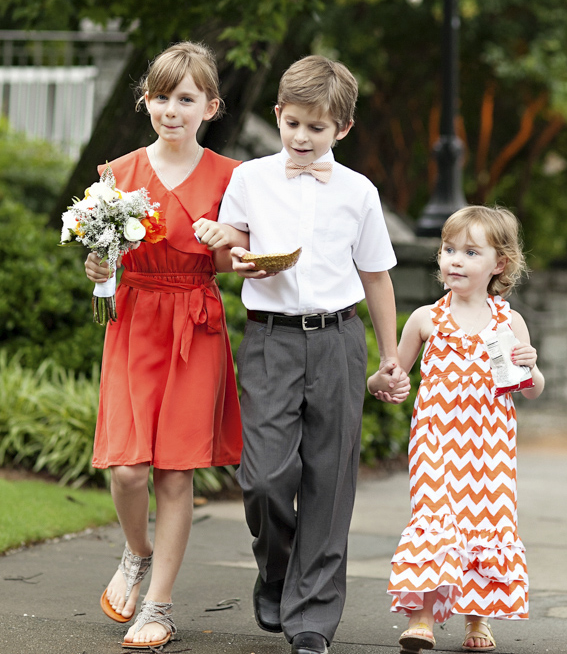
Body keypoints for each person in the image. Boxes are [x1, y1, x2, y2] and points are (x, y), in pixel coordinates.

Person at [193, 54, 411, 654]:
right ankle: (278, 571)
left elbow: (377, 278)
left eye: (317, 128)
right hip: (269, 337)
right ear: (279, 117)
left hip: (339, 339)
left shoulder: (358, 193)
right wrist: (229, 248)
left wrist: (389, 357)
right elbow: (231, 244)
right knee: (263, 477)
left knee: (329, 478)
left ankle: (311, 617)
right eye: (293, 124)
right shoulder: (250, 179)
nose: (301, 138)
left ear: (341, 129)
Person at [84, 41, 244, 650]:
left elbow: (240, 264)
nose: (170, 109)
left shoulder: (232, 177)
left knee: (176, 475)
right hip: (133, 323)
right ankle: (136, 552)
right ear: (145, 101)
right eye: (160, 96)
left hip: (195, 325)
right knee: (127, 470)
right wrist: (99, 273)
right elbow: (102, 264)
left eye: (185, 98)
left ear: (210, 106)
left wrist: (225, 239)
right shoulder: (117, 174)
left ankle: (159, 606)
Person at [368, 205, 545, 653]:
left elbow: (530, 390)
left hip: (490, 448)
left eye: (470, 251)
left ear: (498, 265)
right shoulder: (427, 319)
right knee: (433, 519)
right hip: (437, 443)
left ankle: (477, 621)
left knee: (483, 524)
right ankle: (421, 618)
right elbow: (391, 374)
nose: (455, 260)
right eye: (449, 250)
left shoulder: (510, 322)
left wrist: (532, 367)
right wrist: (384, 383)